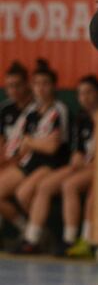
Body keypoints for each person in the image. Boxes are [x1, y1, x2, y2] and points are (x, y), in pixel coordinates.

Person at [15, 75, 98, 256]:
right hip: (82, 166)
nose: (84, 98)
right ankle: (32, 238)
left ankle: (73, 239)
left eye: (89, 92)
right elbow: (77, 152)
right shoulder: (80, 118)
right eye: (80, 94)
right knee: (45, 186)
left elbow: (54, 146)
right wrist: (77, 159)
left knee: (69, 185)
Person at [0, 59, 69, 242]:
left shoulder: (59, 110)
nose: (40, 88)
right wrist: (31, 143)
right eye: (37, 84)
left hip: (51, 164)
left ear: (54, 86)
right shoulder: (31, 112)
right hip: (29, 161)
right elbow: (20, 143)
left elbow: (52, 147)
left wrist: (32, 142)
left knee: (24, 193)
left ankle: (35, 236)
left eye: (45, 84)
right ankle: (30, 231)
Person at [1, 62, 34, 170]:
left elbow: (28, 147)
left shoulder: (36, 109)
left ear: (27, 84)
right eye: (10, 86)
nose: (14, 90)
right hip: (6, 159)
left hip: (27, 161)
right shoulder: (4, 108)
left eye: (17, 85)